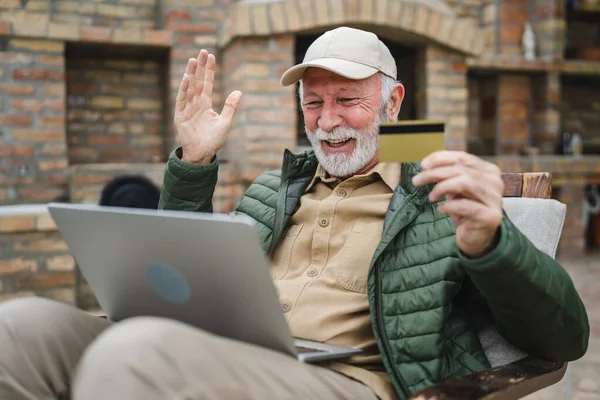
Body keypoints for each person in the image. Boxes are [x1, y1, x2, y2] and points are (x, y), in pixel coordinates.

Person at [0, 27, 589, 400]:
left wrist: (491, 243)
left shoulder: (444, 191)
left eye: (349, 102)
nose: (328, 121)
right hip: (238, 358)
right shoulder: (271, 188)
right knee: (20, 328)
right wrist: (195, 163)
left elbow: (562, 337)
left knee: (135, 354)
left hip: (349, 383)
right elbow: (186, 276)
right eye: (314, 103)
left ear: (394, 101)